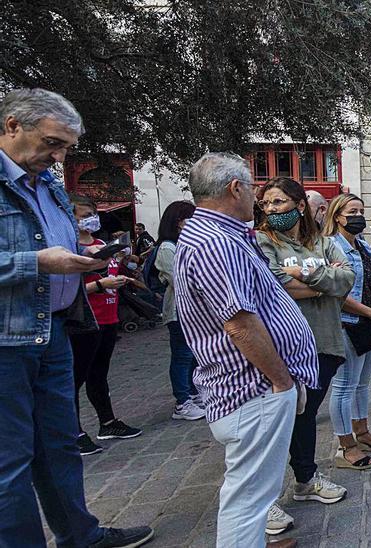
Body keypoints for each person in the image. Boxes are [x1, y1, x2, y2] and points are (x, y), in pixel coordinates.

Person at [0, 87, 154, 548]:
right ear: (12, 126)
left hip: (56, 330)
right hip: (7, 342)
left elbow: (56, 245)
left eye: (66, 146)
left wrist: (84, 256)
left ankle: (79, 536)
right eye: (52, 143)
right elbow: (36, 256)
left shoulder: (46, 181)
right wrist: (37, 262)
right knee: (11, 461)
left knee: (60, 446)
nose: (60, 155)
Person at [173, 152, 318, 548]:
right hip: (252, 388)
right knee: (249, 498)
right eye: (253, 188)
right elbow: (238, 323)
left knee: (253, 493)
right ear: (235, 188)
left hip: (254, 387)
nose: (256, 197)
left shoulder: (222, 235)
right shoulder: (214, 242)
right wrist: (281, 380)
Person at [254, 177, 354, 533]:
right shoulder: (262, 242)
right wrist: (322, 283)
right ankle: (261, 500)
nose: (271, 210)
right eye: (266, 204)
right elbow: (274, 284)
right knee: (278, 419)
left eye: (278, 202)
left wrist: (306, 275)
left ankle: (305, 479)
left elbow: (347, 281)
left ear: (299, 205)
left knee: (307, 412)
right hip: (284, 346)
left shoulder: (325, 242)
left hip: (324, 342)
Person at [69, 195, 142, 456]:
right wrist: (100, 285)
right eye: (84, 214)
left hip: (109, 318)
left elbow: (110, 272)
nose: (91, 218)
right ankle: (73, 432)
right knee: (74, 379)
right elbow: (68, 291)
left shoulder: (101, 245)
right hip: (84, 321)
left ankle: (108, 422)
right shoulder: (70, 249)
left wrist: (124, 271)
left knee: (99, 374)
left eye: (93, 213)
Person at [323, 193, 371, 469]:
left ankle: (361, 431)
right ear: (337, 215)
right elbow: (334, 291)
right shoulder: (329, 246)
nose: (358, 216)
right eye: (352, 211)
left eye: (361, 211)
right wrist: (370, 312)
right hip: (347, 323)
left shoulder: (362, 245)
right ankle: (345, 445)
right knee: (343, 386)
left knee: (363, 383)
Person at [155, 200, 206, 421]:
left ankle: (193, 394)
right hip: (178, 311)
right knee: (182, 355)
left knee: (193, 354)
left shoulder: (185, 245)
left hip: (193, 310)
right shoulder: (168, 248)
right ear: (178, 222)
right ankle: (182, 401)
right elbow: (182, 280)